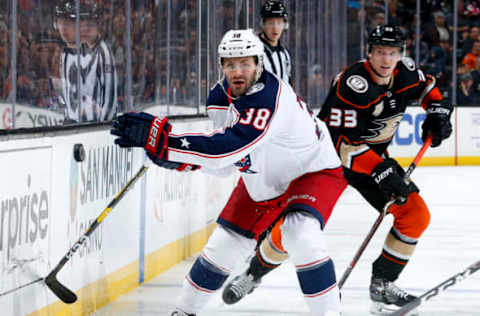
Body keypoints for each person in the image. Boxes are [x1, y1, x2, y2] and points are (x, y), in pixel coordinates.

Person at [111, 29, 347, 316]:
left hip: (312, 171)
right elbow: (227, 162)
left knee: (300, 233)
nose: (238, 71)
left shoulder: (270, 98)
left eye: (245, 63)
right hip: (261, 179)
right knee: (223, 245)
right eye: (230, 64)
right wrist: (178, 159)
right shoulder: (219, 99)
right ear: (221, 66)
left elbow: (230, 147)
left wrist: (166, 144)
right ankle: (183, 312)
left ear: (259, 64)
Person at [223, 25, 453, 316]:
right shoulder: (352, 84)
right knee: (295, 228)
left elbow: (430, 91)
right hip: (325, 160)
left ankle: (382, 287)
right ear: (369, 52)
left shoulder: (404, 72)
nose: (385, 59)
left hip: (370, 159)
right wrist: (382, 170)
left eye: (392, 53)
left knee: (415, 214)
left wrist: (437, 112)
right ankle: (253, 272)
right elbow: (342, 145)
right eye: (380, 52)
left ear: (401, 55)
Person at [54, 0, 118, 123]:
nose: (85, 29)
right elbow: (67, 91)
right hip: (74, 124)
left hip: (95, 126)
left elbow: (110, 96)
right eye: (82, 23)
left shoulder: (103, 52)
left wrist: (103, 125)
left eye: (90, 24)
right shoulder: (66, 53)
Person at [258, 0, 292, 85]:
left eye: (279, 23)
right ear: (263, 24)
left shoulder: (284, 54)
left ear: (285, 25)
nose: (275, 28)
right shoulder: (254, 51)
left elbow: (287, 85)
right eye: (270, 23)